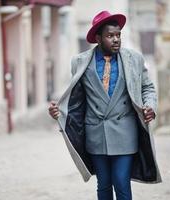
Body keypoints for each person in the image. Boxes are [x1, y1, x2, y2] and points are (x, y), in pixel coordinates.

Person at [48, 10, 161, 200]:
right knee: (103, 185)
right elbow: (75, 98)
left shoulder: (134, 59)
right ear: (98, 39)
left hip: (125, 132)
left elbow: (147, 87)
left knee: (121, 182)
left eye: (118, 35)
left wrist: (150, 106)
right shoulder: (79, 62)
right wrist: (59, 111)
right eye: (110, 36)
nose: (116, 39)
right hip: (96, 134)